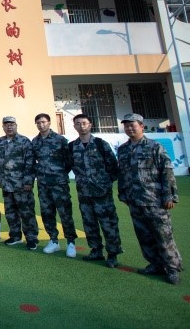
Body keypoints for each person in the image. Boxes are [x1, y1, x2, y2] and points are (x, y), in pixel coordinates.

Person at [117, 113, 183, 284]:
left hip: (154, 200)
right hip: (134, 200)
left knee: (163, 235)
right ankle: (155, 264)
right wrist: (122, 193)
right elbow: (122, 173)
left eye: (133, 125)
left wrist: (169, 196)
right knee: (144, 236)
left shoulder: (155, 146)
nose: (129, 128)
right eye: (126, 125)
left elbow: (166, 171)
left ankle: (172, 269)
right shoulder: (123, 149)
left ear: (142, 126)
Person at [69, 114, 122, 268]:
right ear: (74, 126)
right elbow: (71, 165)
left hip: (102, 193)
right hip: (84, 193)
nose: (81, 126)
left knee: (108, 223)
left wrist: (104, 183)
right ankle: (96, 250)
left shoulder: (100, 144)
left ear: (90, 125)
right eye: (78, 123)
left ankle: (112, 254)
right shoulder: (72, 146)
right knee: (89, 223)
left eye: (84, 123)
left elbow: (113, 166)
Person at [32, 113, 77, 257]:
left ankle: (71, 242)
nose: (41, 125)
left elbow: (69, 160)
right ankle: (53, 240)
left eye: (43, 122)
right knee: (47, 213)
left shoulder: (60, 140)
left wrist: (59, 173)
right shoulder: (35, 142)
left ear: (49, 123)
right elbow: (34, 161)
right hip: (43, 184)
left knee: (65, 213)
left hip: (59, 184)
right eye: (38, 123)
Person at [0, 116, 39, 250]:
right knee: (10, 212)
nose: (9, 127)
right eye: (6, 125)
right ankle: (15, 235)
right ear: (3, 127)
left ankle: (32, 238)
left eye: (12, 124)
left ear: (16, 126)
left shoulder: (24, 141)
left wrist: (28, 181)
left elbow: (30, 163)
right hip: (6, 184)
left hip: (22, 185)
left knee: (27, 212)